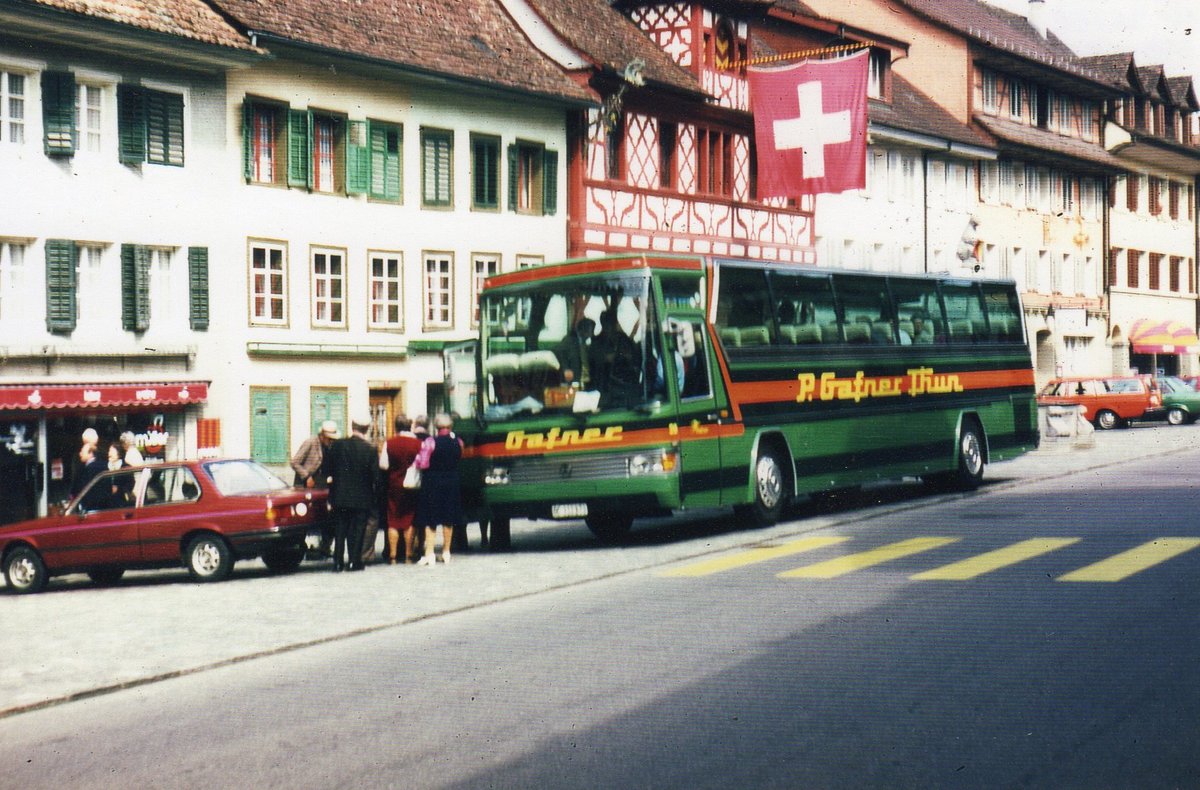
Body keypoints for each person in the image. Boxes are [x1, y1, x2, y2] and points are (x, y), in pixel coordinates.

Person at [324, 415, 378, 572]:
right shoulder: (370, 449)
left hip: (339, 495)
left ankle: (338, 562)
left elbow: (327, 470)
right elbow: (375, 477)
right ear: (367, 429)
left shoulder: (338, 445)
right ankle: (354, 561)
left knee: (340, 528)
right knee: (359, 529)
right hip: (362, 496)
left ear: (352, 426)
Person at [413, 413, 466, 566]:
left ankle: (429, 553)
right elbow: (459, 457)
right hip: (452, 481)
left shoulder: (430, 442)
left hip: (433, 482)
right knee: (448, 518)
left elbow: (422, 463)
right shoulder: (458, 442)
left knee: (431, 518)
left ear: (436, 427)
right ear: (450, 427)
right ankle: (446, 551)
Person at [382, 415, 422, 563]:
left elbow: (384, 465)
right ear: (410, 426)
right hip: (412, 484)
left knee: (393, 520)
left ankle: (392, 555)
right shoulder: (418, 444)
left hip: (394, 484)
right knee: (409, 519)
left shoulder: (389, 443)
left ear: (396, 427)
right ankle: (408, 554)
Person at [591, 309, 640, 405]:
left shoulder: (622, 338)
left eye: (611, 322)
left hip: (626, 382)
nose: (609, 326)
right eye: (606, 323)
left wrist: (627, 356)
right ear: (602, 323)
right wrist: (617, 355)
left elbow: (633, 355)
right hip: (605, 385)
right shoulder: (597, 341)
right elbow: (600, 360)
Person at [291, 420, 337, 488]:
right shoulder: (310, 442)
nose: (331, 441)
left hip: (320, 483)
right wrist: (307, 477)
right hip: (304, 483)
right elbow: (294, 462)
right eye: (329, 439)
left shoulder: (328, 446)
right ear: (322, 435)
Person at [555, 317, 595, 388]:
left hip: (583, 379)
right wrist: (566, 368)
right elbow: (560, 352)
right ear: (583, 329)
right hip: (572, 379)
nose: (591, 334)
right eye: (591, 331)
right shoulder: (569, 339)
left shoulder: (583, 342)